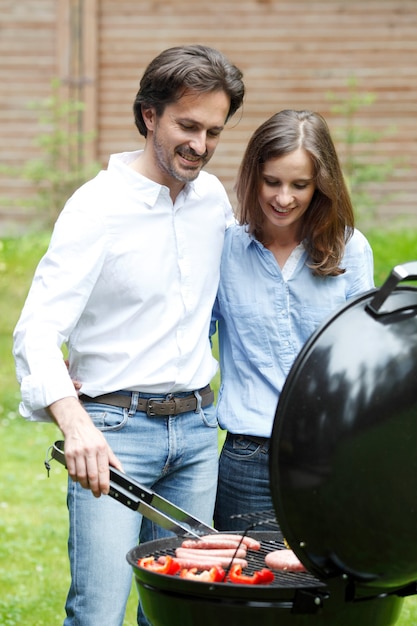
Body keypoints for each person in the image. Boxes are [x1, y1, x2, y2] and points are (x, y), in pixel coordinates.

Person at [13, 45, 244, 626]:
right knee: (98, 613)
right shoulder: (97, 208)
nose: (201, 144)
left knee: (182, 612)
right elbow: (36, 330)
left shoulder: (212, 199)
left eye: (214, 131)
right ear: (149, 116)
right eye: (187, 125)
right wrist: (76, 424)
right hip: (116, 438)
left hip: (196, 433)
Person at [211, 109, 374, 531]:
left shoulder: (350, 251)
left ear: (321, 185)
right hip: (248, 459)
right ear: (254, 175)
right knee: (247, 589)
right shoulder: (225, 250)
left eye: (300, 185)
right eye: (273, 182)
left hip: (330, 454)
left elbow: (365, 358)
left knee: (326, 592)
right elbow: (183, 335)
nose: (284, 198)